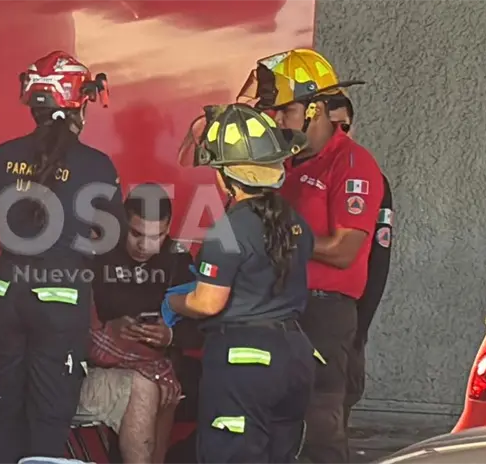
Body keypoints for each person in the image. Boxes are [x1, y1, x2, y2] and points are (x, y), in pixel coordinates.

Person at [0, 50, 124, 464]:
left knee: (3, 411)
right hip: (60, 303)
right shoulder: (96, 165)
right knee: (48, 419)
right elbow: (115, 239)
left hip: (4, 294)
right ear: (78, 103)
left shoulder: (2, 156)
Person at [237, 48, 386, 464]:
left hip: (322, 316)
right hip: (276, 307)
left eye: (285, 110)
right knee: (265, 425)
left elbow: (344, 250)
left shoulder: (353, 163)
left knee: (318, 432)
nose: (277, 120)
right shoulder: (285, 162)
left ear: (315, 109)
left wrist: (278, 235)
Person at [163, 103, 319, 463]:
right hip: (295, 357)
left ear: (225, 175)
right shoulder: (295, 223)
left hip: (244, 363)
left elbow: (208, 303)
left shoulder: (228, 229)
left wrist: (173, 302)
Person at [76, 183, 202, 464]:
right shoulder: (99, 252)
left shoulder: (177, 259)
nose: (145, 245)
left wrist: (170, 335)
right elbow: (75, 320)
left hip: (165, 363)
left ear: (168, 230)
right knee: (151, 385)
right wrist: (110, 330)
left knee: (211, 385)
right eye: (136, 234)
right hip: (101, 363)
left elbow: (204, 325)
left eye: (156, 236)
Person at [327, 93, 395, 427]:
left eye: (346, 126)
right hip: (301, 317)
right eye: (333, 125)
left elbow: (379, 261)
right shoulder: (301, 175)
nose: (340, 132)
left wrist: (360, 329)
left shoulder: (369, 180)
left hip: (347, 317)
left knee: (334, 414)